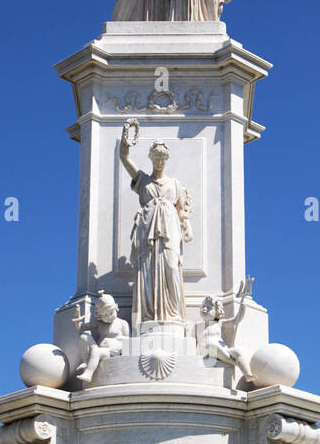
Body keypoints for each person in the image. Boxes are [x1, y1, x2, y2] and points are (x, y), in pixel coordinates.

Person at [118, 119, 192, 324]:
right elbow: (124, 158)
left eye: (162, 157)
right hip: (147, 230)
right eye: (156, 157)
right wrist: (125, 142)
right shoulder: (143, 181)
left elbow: (182, 211)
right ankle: (150, 314)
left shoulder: (176, 185)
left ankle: (173, 314)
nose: (159, 160)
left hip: (170, 230)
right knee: (148, 271)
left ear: (166, 159)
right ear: (151, 158)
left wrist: (188, 227)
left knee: (171, 267)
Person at [194, 295, 254, 382]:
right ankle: (235, 363)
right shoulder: (197, 326)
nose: (204, 309)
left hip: (222, 349)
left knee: (237, 351)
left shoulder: (218, 323)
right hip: (208, 349)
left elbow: (235, 320)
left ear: (217, 311)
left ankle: (248, 374)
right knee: (211, 345)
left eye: (208, 308)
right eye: (203, 307)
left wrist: (242, 307)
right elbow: (193, 342)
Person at [76, 293, 130, 382]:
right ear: (99, 315)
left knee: (96, 351)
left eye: (111, 313)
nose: (108, 317)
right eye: (104, 315)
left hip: (112, 352)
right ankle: (87, 361)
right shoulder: (99, 323)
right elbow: (82, 328)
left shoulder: (122, 323)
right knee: (84, 336)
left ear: (116, 307)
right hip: (97, 349)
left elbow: (128, 341)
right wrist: (77, 320)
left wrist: (122, 347)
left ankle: (88, 373)